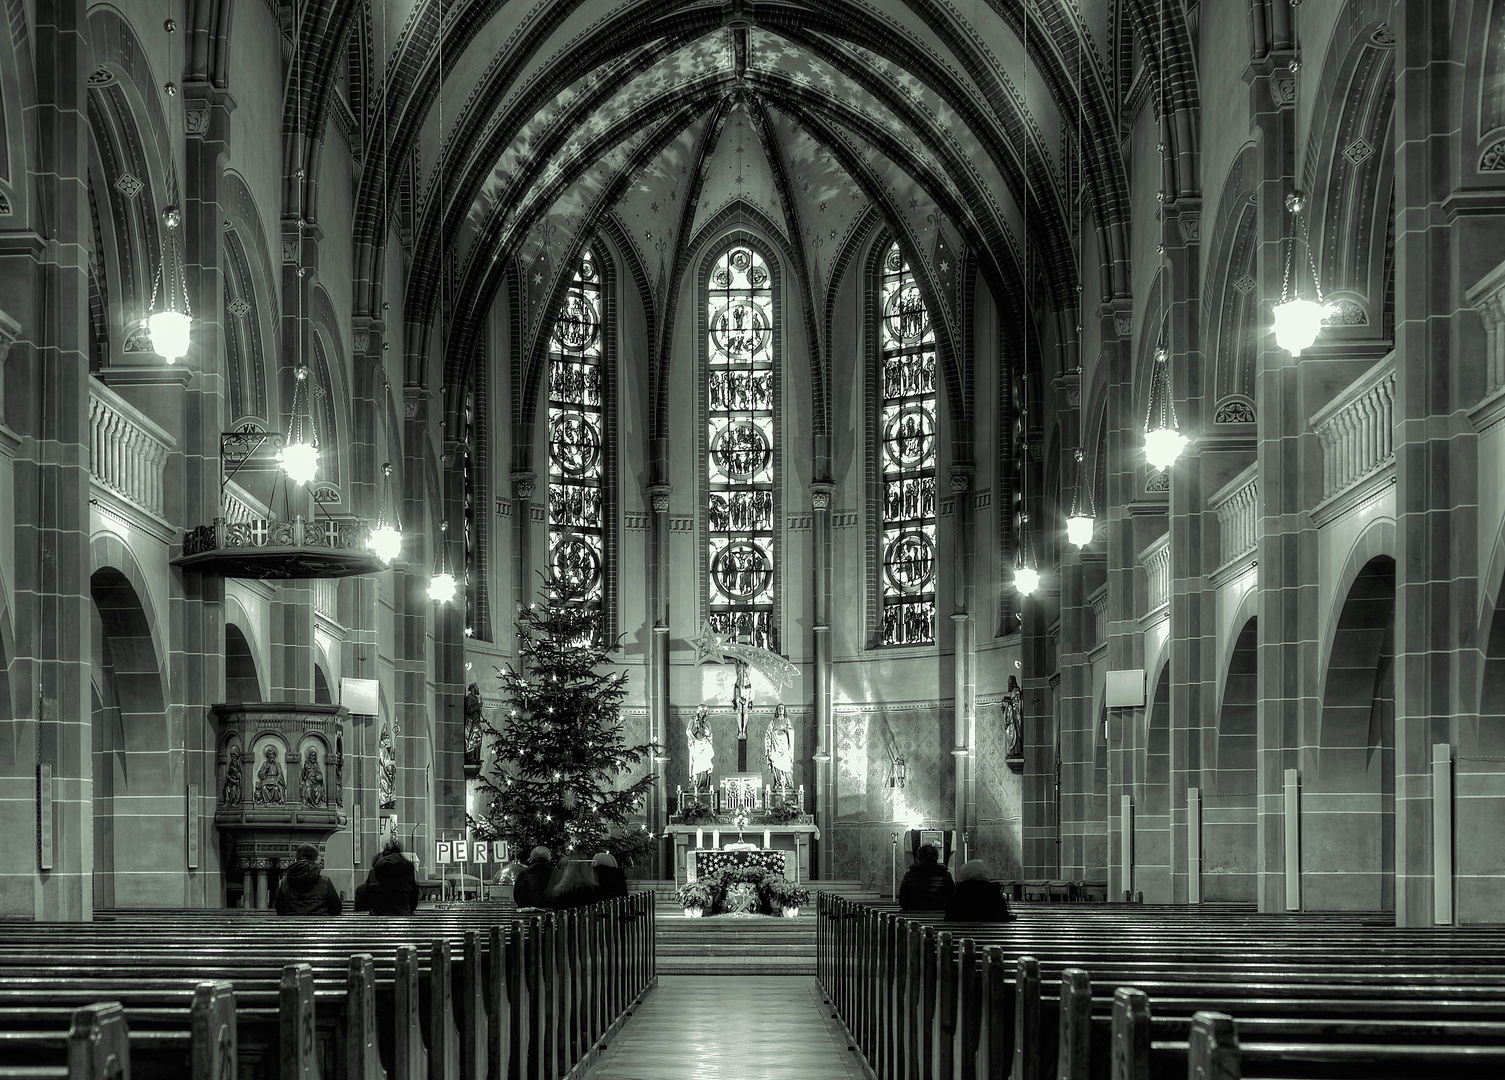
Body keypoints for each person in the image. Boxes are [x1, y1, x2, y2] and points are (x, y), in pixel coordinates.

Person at [354, 840, 419, 915]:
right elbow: (413, 900)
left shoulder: (374, 872)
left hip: (376, 919)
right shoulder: (407, 872)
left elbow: (368, 898)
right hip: (401, 917)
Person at [275, 843, 342, 916]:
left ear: (296, 859)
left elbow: (279, 908)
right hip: (320, 924)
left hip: (292, 924)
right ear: (316, 860)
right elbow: (336, 908)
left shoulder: (285, 882)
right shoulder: (324, 881)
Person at [945, 860, 1015, 922]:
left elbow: (949, 917)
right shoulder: (993, 895)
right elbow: (1003, 917)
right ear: (985, 874)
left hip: (961, 935)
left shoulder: (958, 896)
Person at [898, 844, 954, 911]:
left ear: (918, 858)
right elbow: (952, 897)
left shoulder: (910, 876)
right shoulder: (945, 876)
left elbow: (903, 900)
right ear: (936, 858)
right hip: (940, 912)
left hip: (914, 913)